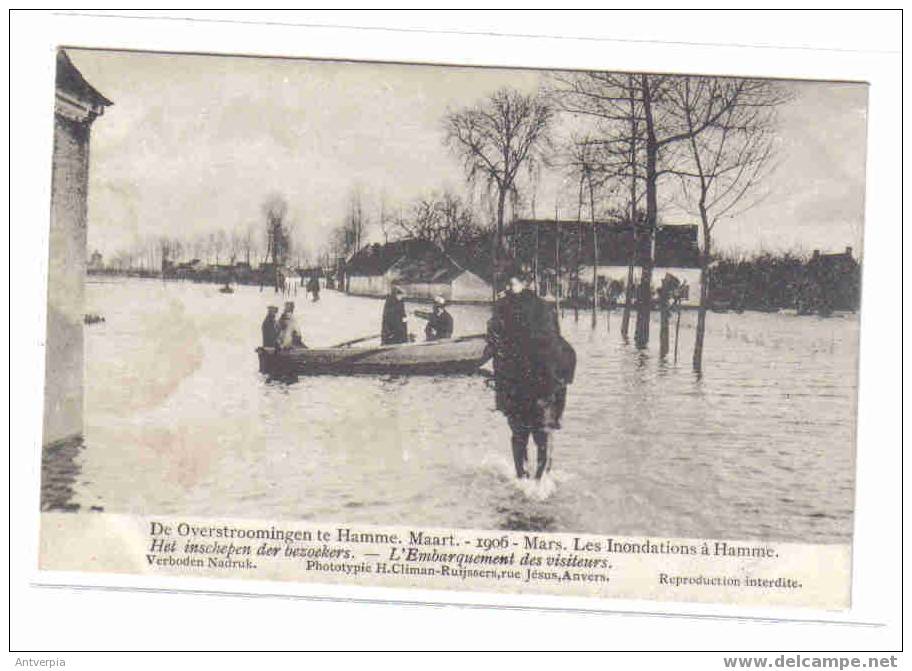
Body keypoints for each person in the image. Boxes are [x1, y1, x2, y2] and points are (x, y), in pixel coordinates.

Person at [485, 271, 576, 480]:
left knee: (527, 432)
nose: (508, 287)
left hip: (526, 380)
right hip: (533, 380)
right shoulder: (537, 308)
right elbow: (555, 341)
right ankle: (536, 480)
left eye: (512, 282)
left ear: (524, 284)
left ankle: (528, 478)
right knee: (535, 432)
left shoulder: (513, 308)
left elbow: (496, 340)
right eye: (507, 284)